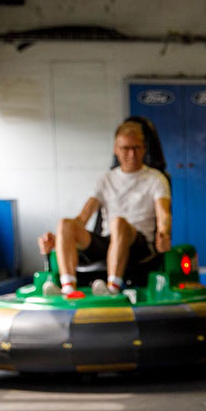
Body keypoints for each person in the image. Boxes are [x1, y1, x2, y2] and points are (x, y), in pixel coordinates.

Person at [37, 120, 172, 298]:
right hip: (110, 241)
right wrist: (59, 238)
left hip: (139, 244)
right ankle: (68, 288)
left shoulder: (156, 178)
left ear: (144, 149)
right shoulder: (106, 180)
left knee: (118, 223)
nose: (131, 154)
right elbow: (82, 217)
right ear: (116, 149)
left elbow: (163, 213)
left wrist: (164, 232)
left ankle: (112, 288)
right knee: (65, 224)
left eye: (136, 148)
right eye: (125, 148)